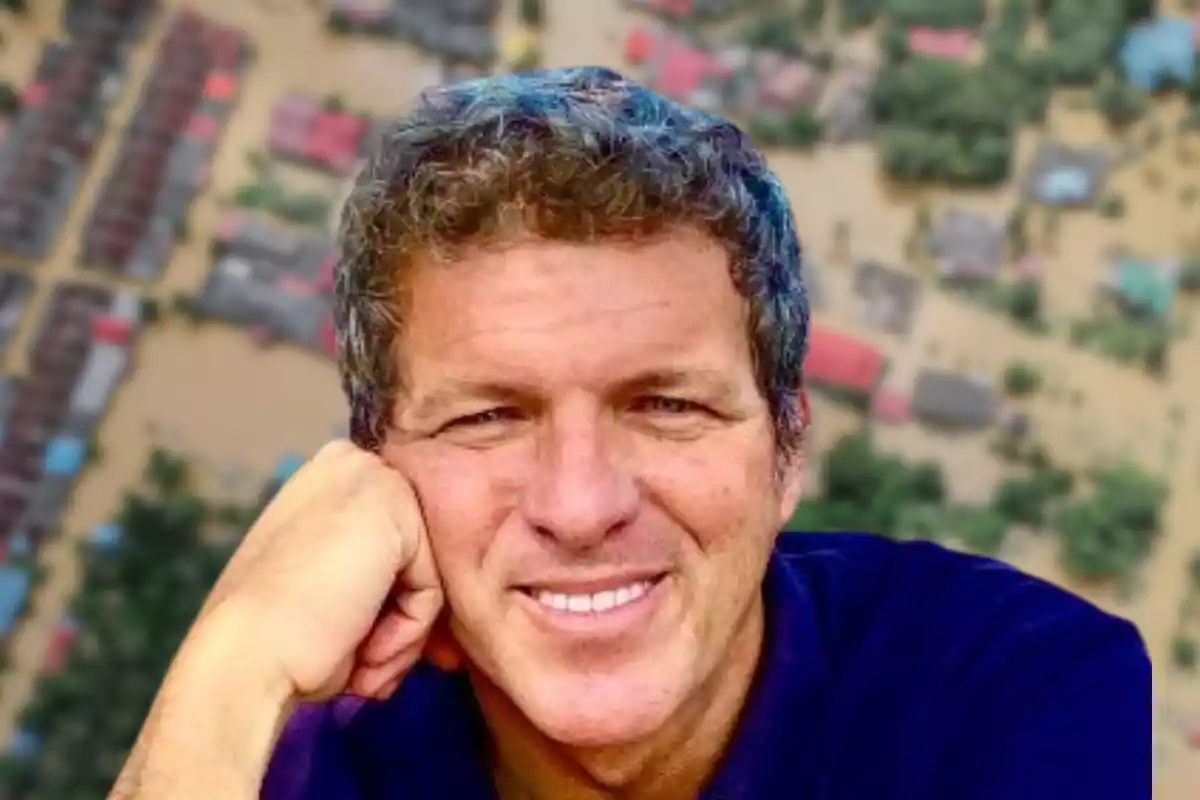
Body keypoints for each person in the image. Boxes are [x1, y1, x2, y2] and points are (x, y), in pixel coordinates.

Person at [110, 67, 1148, 800]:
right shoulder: (289, 762)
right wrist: (231, 659)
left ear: (788, 447)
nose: (580, 503)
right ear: (377, 478)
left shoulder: (1013, 695)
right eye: (487, 416)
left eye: (668, 405)